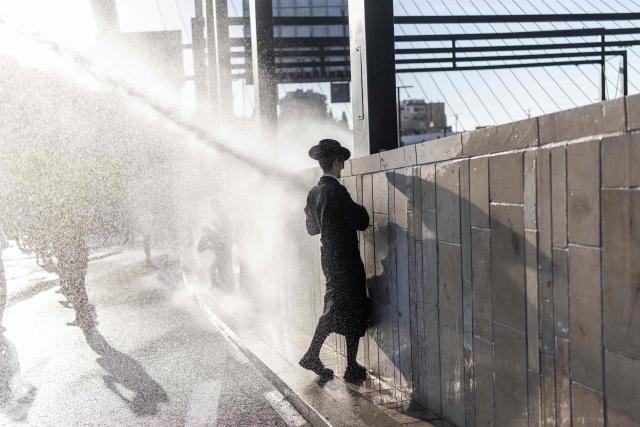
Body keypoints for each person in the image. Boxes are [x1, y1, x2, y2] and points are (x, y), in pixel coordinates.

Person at [299, 139, 370, 383]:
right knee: (342, 307)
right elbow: (361, 220)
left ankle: (351, 365)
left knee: (346, 306)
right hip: (345, 258)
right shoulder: (336, 190)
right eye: (342, 162)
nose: (343, 167)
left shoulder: (314, 192)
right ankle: (312, 354)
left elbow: (311, 228)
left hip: (328, 257)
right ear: (337, 161)